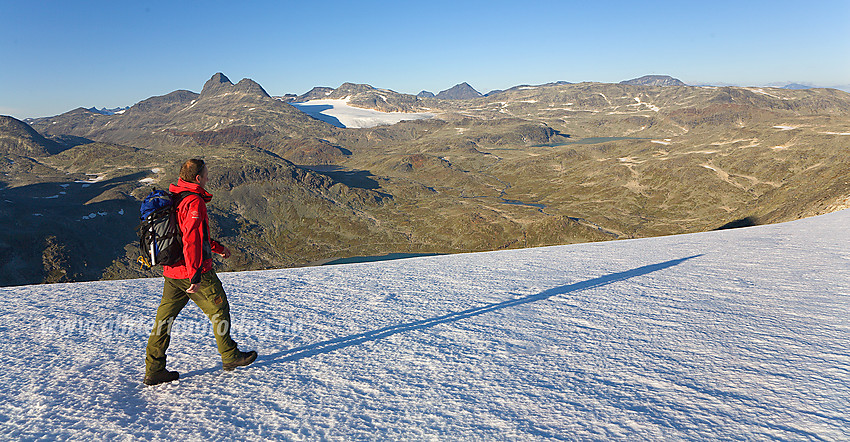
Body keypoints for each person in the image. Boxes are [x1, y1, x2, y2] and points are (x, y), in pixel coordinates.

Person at [144, 159, 257, 386]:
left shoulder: (175, 195)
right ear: (198, 178)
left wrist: (219, 249)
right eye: (206, 175)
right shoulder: (194, 202)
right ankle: (230, 355)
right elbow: (191, 240)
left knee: (164, 320)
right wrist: (195, 275)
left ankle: (154, 369)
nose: (208, 178)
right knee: (219, 309)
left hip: (171, 272)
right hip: (194, 272)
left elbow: (191, 235)